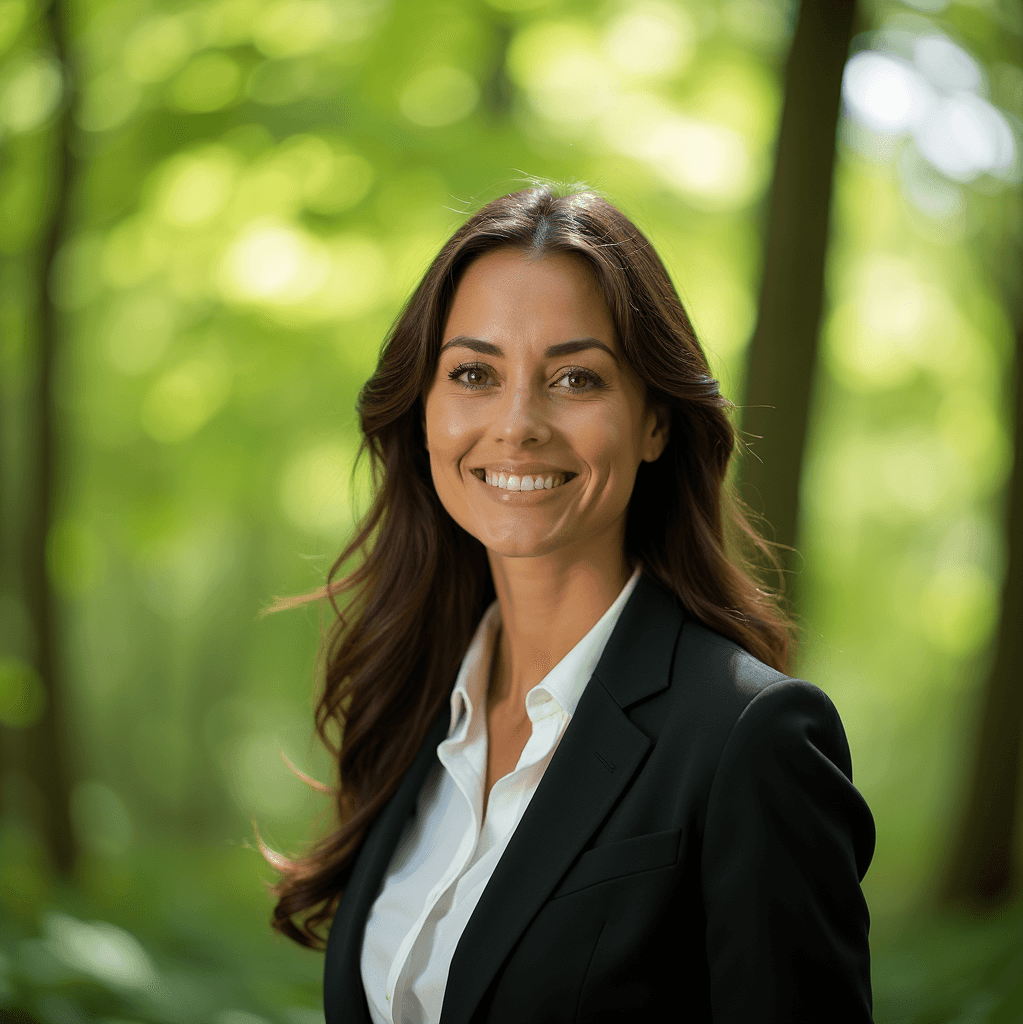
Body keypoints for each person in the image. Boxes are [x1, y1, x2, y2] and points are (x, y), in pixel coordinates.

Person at [264, 184, 875, 1023]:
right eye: (474, 373)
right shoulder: (415, 712)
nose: (517, 423)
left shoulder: (748, 738)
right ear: (425, 411)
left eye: (576, 378)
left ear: (655, 421)